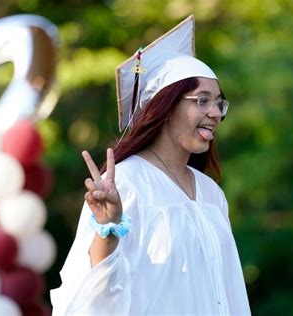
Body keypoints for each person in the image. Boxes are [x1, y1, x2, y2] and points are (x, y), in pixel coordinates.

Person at [51, 15, 251, 315]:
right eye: (202, 100)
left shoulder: (211, 194)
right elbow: (94, 290)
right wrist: (109, 226)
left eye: (219, 103)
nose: (215, 113)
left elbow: (229, 292)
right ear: (166, 107)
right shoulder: (126, 183)